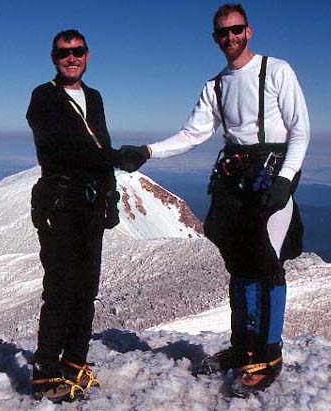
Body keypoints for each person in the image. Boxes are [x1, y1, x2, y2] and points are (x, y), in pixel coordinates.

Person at [122, 3, 309, 397]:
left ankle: (268, 355)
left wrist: (285, 181)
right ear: (215, 37)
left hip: (270, 175)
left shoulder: (277, 71)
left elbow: (300, 131)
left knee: (267, 266)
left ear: (249, 31)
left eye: (236, 29)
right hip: (236, 179)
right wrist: (148, 151)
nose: (230, 37)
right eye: (222, 32)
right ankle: (243, 348)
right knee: (240, 267)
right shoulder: (216, 85)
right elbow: (192, 134)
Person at [26, 29, 144, 403]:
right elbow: (63, 146)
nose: (71, 58)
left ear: (88, 55)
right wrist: (115, 159)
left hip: (90, 204)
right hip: (59, 203)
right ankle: (45, 374)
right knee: (60, 290)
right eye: (64, 52)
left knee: (86, 289)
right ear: (53, 57)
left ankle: (75, 361)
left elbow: (99, 142)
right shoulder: (43, 97)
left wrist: (110, 194)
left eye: (77, 51)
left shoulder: (93, 97)